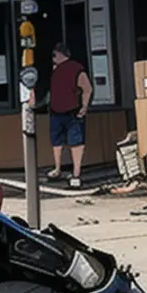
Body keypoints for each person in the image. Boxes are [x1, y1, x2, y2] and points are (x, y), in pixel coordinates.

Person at [47, 43, 93, 188]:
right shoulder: (56, 70)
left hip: (72, 111)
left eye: (54, 55)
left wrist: (84, 106)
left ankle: (76, 172)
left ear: (61, 54)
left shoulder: (76, 68)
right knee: (57, 141)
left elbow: (87, 88)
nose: (53, 58)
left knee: (75, 141)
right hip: (57, 110)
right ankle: (58, 168)